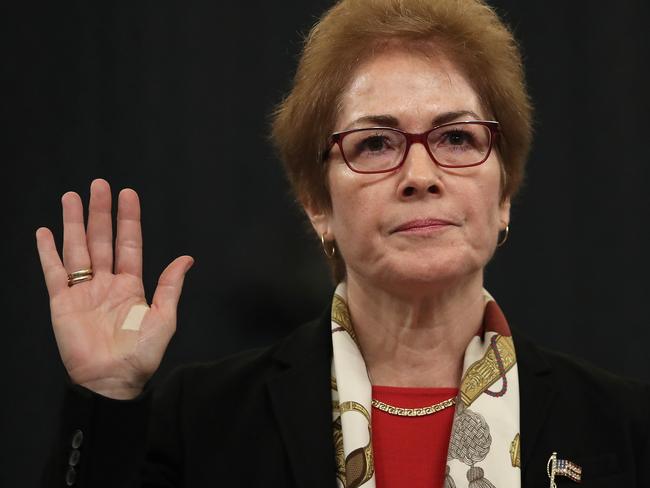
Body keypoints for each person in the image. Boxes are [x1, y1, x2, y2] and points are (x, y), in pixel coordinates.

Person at [37, 0, 649, 487]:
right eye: (375, 144)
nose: (420, 175)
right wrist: (105, 395)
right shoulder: (203, 423)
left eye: (458, 139)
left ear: (505, 192)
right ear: (318, 205)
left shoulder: (622, 427)